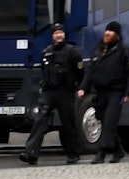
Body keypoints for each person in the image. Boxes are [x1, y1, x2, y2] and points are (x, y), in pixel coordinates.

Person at [21, 24, 84, 165]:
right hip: (49, 92)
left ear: (64, 35)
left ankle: (73, 153)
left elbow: (81, 73)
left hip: (65, 92)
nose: (59, 35)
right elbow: (44, 71)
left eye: (61, 32)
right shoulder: (46, 52)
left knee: (68, 124)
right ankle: (30, 153)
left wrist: (79, 87)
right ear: (52, 36)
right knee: (40, 121)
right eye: (56, 33)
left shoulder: (72, 52)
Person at [79, 21, 129, 164]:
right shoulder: (98, 50)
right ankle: (119, 151)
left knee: (110, 121)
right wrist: (83, 88)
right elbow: (90, 71)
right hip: (100, 93)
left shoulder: (125, 51)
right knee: (105, 122)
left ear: (117, 35)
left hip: (116, 92)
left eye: (111, 32)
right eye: (106, 31)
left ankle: (102, 153)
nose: (107, 33)